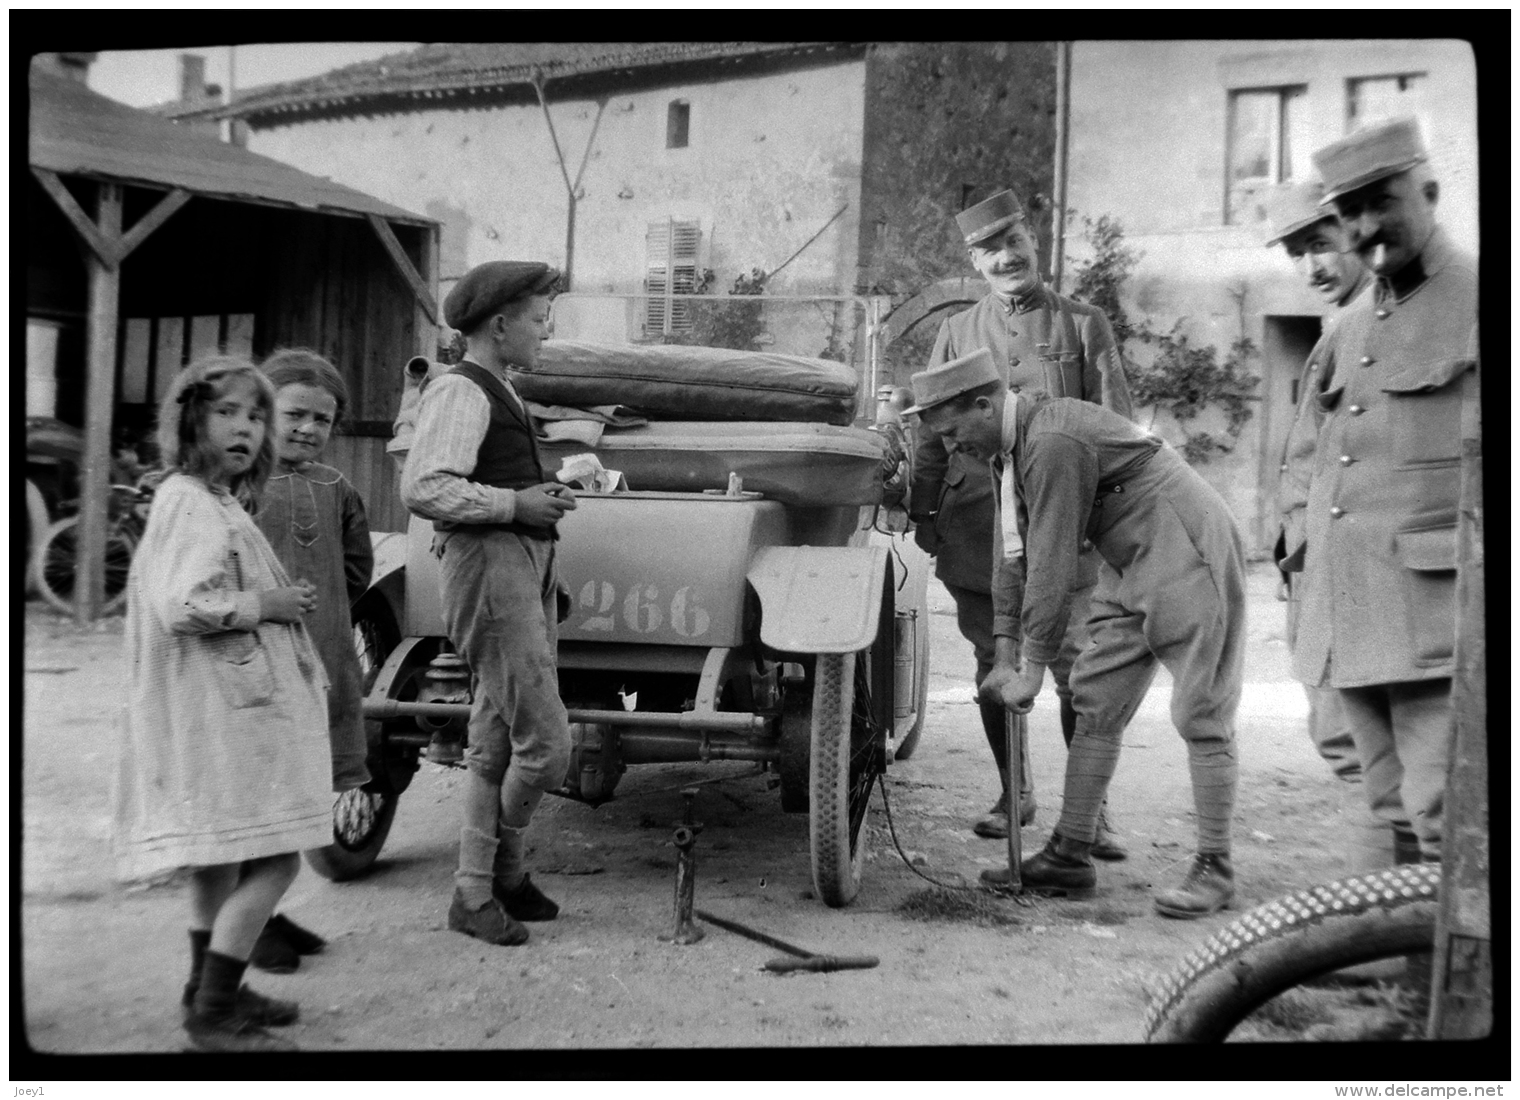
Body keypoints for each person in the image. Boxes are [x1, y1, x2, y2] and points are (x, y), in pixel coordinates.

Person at [907, 348, 1246, 917]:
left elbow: (1052, 561)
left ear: (986, 406)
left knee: (1200, 711)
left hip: (1186, 546)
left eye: (952, 431)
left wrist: (1032, 670)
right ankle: (1070, 854)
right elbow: (1011, 552)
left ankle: (1217, 866)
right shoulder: (1007, 447)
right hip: (1129, 558)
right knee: (1096, 699)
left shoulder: (1051, 442)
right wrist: (1004, 652)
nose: (948, 447)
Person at [112, 356, 333, 1052]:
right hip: (222, 712)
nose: (244, 427)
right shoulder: (193, 502)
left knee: (220, 859)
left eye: (255, 415)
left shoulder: (206, 499)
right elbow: (185, 604)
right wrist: (264, 604)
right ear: (189, 421)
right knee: (277, 860)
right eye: (225, 412)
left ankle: (211, 987)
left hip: (215, 709)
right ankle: (212, 1012)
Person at [910, 188, 1134, 853]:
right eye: (988, 251)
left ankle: (1088, 811)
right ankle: (1017, 793)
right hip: (979, 527)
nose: (1005, 258)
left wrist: (1115, 530)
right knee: (993, 661)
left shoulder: (1084, 324)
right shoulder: (956, 331)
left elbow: (1116, 428)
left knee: (1078, 670)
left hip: (1070, 529)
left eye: (1013, 243)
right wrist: (924, 511)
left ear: (1032, 239)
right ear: (975, 262)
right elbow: (930, 431)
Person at [1294, 118, 1477, 864]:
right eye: (1349, 211)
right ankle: (1415, 981)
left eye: (1383, 200)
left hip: (1445, 619)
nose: (1366, 226)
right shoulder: (1347, 326)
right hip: (1354, 615)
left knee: (1453, 821)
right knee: (1395, 809)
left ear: (1429, 190)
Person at [400, 260, 576, 946]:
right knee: (548, 745)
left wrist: (541, 502)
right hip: (487, 562)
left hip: (517, 562)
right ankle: (497, 873)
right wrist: (516, 503)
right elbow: (426, 487)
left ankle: (475, 894)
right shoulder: (460, 391)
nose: (546, 330)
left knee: (494, 742)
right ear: (499, 326)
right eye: (538, 319)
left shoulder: (498, 387)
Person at [246, 348, 376, 973]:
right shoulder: (235, 488)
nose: (306, 429)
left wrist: (328, 623)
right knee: (259, 798)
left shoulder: (337, 489)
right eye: (293, 414)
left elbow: (357, 571)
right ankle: (247, 926)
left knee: (301, 793)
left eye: (321, 420)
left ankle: (268, 912)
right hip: (255, 663)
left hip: (322, 659)